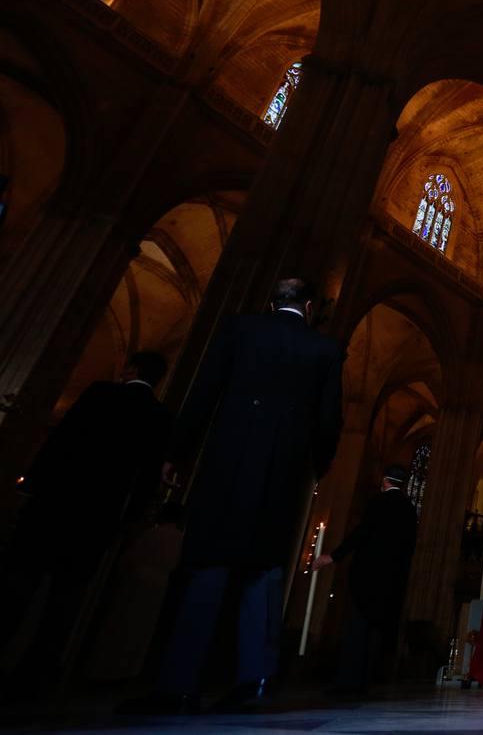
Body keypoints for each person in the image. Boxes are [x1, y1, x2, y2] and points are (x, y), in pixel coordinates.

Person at [119, 278, 343, 714]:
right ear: (311, 307)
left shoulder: (241, 329)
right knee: (266, 571)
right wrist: (315, 468)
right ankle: (253, 678)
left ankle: (180, 683)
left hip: (227, 464)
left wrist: (179, 453)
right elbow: (329, 420)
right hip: (282, 475)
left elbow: (204, 393)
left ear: (270, 300)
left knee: (207, 565)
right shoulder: (325, 350)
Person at [0, 352, 172, 684]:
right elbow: (148, 475)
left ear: (131, 369)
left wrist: (31, 485)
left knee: (19, 584)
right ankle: (39, 672)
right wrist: (132, 519)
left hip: (55, 504)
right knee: (66, 599)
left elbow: (63, 439)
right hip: (98, 517)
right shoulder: (160, 416)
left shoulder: (100, 394)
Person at [314, 464, 419, 695]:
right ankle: (364, 682)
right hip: (392, 581)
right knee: (376, 631)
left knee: (356, 627)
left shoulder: (379, 502)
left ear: (385, 481)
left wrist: (333, 556)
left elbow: (361, 533)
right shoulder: (410, 510)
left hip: (368, 576)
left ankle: (347, 683)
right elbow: (409, 549)